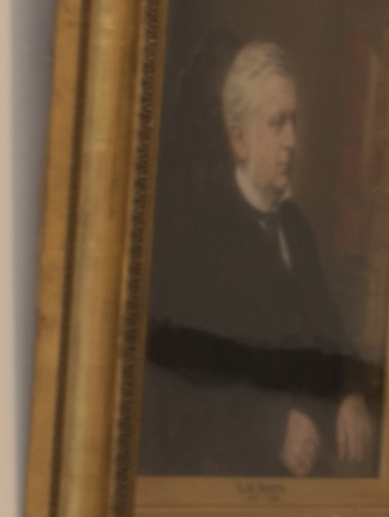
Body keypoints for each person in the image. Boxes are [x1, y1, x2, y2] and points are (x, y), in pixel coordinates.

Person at [139, 29, 376, 478]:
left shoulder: (297, 229)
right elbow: (181, 392)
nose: (292, 140)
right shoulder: (197, 241)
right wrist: (272, 429)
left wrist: (350, 391)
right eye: (277, 123)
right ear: (239, 140)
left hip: (309, 471)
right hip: (232, 476)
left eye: (294, 122)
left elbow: (329, 330)